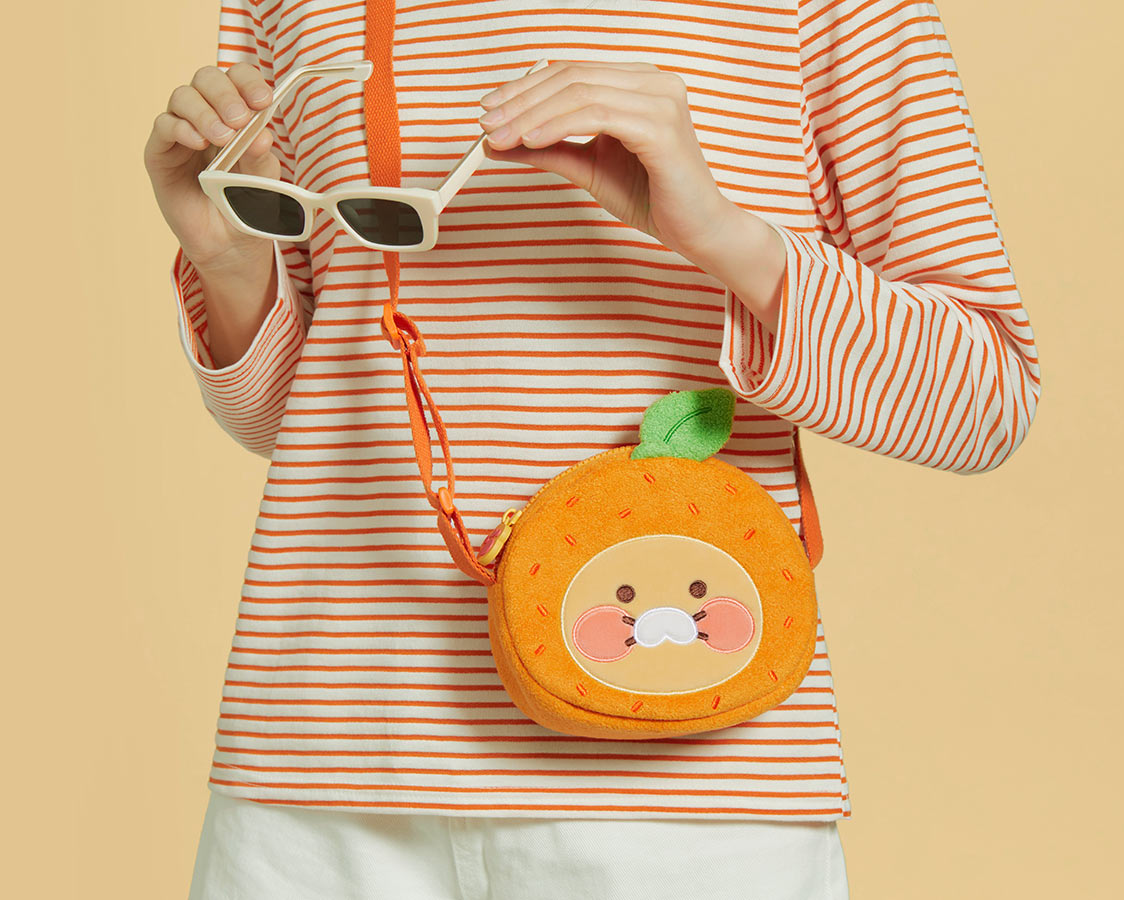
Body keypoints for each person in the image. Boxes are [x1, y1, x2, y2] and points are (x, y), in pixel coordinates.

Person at [143, 1, 1041, 897]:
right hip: (320, 772)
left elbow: (983, 399)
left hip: (685, 783)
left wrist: (717, 233)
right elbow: (306, 423)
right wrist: (232, 266)